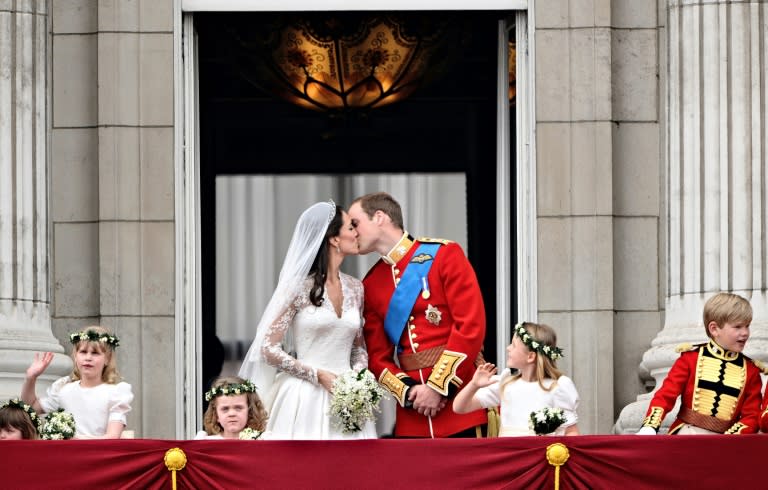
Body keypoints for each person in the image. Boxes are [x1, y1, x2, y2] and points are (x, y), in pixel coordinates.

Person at [348, 192, 487, 438]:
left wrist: (437, 387)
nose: (352, 232)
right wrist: (410, 392)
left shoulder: (444, 255)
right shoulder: (371, 283)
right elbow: (377, 357)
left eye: (355, 223)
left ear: (379, 217)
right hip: (414, 415)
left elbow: (470, 327)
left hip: (460, 404)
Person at [238, 200, 377, 439]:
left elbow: (358, 348)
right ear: (334, 239)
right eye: (351, 228)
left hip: (348, 399)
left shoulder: (356, 288)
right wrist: (317, 375)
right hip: (304, 397)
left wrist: (357, 379)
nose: (357, 233)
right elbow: (268, 348)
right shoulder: (298, 288)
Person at [637, 292, 762, 435]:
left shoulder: (751, 370)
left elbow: (751, 416)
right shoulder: (690, 359)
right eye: (738, 327)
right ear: (714, 329)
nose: (745, 332)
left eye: (747, 326)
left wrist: (730, 440)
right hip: (688, 433)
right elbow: (665, 396)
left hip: (725, 441)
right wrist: (650, 426)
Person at [453, 322, 579, 436]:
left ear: (530, 357)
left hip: (541, 458)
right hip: (510, 457)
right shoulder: (505, 384)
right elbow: (459, 407)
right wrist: (474, 385)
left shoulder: (556, 388)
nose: (508, 348)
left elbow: (571, 431)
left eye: (513, 345)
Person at [21, 326, 134, 439]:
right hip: (68, 454)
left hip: (100, 454)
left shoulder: (115, 393)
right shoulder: (63, 390)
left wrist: (76, 440)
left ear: (107, 359)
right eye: (83, 352)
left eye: (95, 353)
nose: (88, 358)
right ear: (75, 356)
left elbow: (112, 437)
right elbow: (30, 408)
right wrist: (31, 378)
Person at [195, 376, 268, 440]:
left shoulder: (263, 440)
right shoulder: (205, 441)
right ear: (216, 415)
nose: (232, 414)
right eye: (225, 409)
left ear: (250, 411)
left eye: (238, 408)